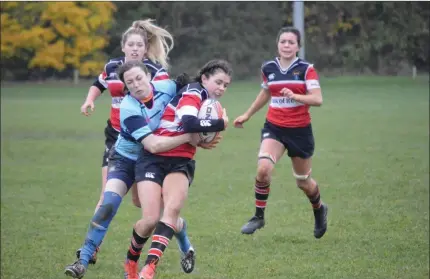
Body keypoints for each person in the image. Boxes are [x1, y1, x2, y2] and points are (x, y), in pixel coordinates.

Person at [65, 60, 199, 279]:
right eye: (130, 82)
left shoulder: (167, 87)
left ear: (148, 76)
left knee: (160, 214)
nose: (136, 84)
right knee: (108, 203)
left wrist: (212, 121)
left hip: (152, 161)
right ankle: (82, 261)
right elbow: (153, 144)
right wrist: (191, 137)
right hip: (125, 159)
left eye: (139, 78)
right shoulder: (128, 107)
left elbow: (195, 89)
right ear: (126, 87)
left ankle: (186, 245)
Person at [76, 19, 173, 264]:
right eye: (130, 44)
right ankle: (92, 247)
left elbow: (166, 98)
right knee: (107, 196)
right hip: (116, 139)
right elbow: (99, 84)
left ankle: (171, 228)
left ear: (145, 48)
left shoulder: (153, 69)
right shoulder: (112, 67)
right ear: (123, 47)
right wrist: (90, 100)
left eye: (139, 45)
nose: (135, 49)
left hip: (143, 140)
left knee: (141, 201)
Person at [131, 59, 232, 279]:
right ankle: (132, 263)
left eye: (226, 85)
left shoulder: (207, 101)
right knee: (150, 220)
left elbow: (193, 132)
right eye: (218, 82)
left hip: (180, 162)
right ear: (204, 78)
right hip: (153, 159)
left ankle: (149, 269)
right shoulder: (193, 92)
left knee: (172, 209)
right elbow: (188, 124)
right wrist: (220, 125)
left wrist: (202, 139)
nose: (222, 88)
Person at [234, 26, 328, 238]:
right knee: (263, 169)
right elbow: (266, 92)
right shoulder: (268, 68)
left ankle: (319, 209)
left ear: (298, 46)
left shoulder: (306, 69)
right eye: (283, 41)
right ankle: (258, 216)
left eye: (291, 42)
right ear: (277, 44)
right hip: (274, 127)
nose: (286, 45)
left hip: (300, 131)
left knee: (303, 182)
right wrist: (247, 115)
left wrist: (296, 96)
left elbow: (317, 99)